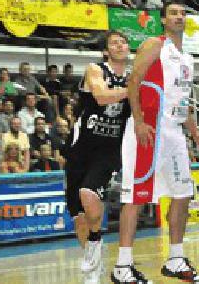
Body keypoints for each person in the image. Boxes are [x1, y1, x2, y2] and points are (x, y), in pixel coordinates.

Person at [113, 0, 199, 283]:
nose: (179, 17)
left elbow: (183, 100)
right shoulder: (155, 45)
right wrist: (139, 120)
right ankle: (122, 266)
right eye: (173, 13)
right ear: (163, 20)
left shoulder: (187, 58)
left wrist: (196, 132)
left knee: (182, 194)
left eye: (182, 13)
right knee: (136, 196)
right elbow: (134, 81)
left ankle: (176, 259)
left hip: (175, 132)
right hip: (150, 128)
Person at [62, 31, 133, 276]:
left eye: (123, 42)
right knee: (78, 215)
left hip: (110, 149)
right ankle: (93, 259)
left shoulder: (134, 76)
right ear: (106, 51)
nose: (120, 45)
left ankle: (95, 241)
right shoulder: (96, 69)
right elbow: (102, 96)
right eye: (114, 42)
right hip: (80, 147)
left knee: (89, 194)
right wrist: (133, 89)